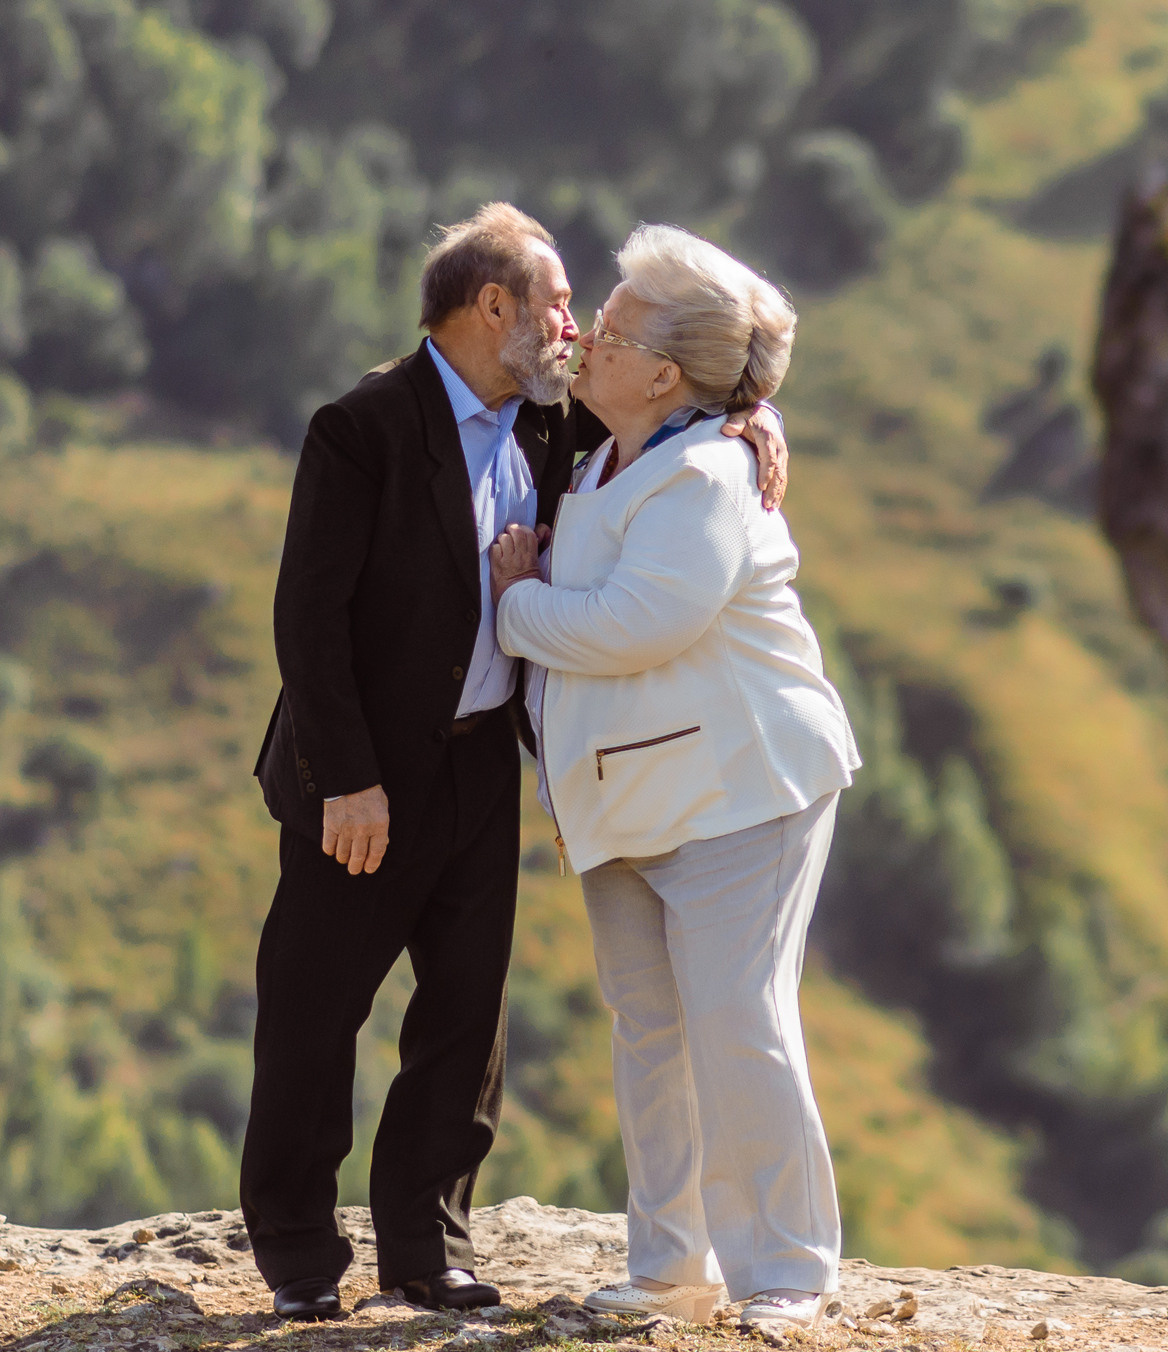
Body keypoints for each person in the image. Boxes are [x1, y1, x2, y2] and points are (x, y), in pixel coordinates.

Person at [243, 204, 787, 1323]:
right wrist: (347, 778)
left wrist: (753, 412)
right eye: (556, 304)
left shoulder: (549, 424)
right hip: (364, 782)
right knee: (313, 1015)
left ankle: (426, 1250)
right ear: (493, 306)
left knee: (463, 1023)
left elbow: (667, 414)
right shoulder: (362, 427)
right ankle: (299, 1255)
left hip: (479, 770)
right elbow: (308, 620)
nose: (574, 330)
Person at [487, 224, 859, 1330]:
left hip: (742, 789)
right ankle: (668, 1264)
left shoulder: (705, 469)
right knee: (649, 1029)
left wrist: (515, 601)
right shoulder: (608, 446)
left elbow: (641, 623)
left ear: (664, 372)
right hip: (626, 801)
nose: (589, 332)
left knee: (737, 1019)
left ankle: (786, 1269)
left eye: (618, 323)